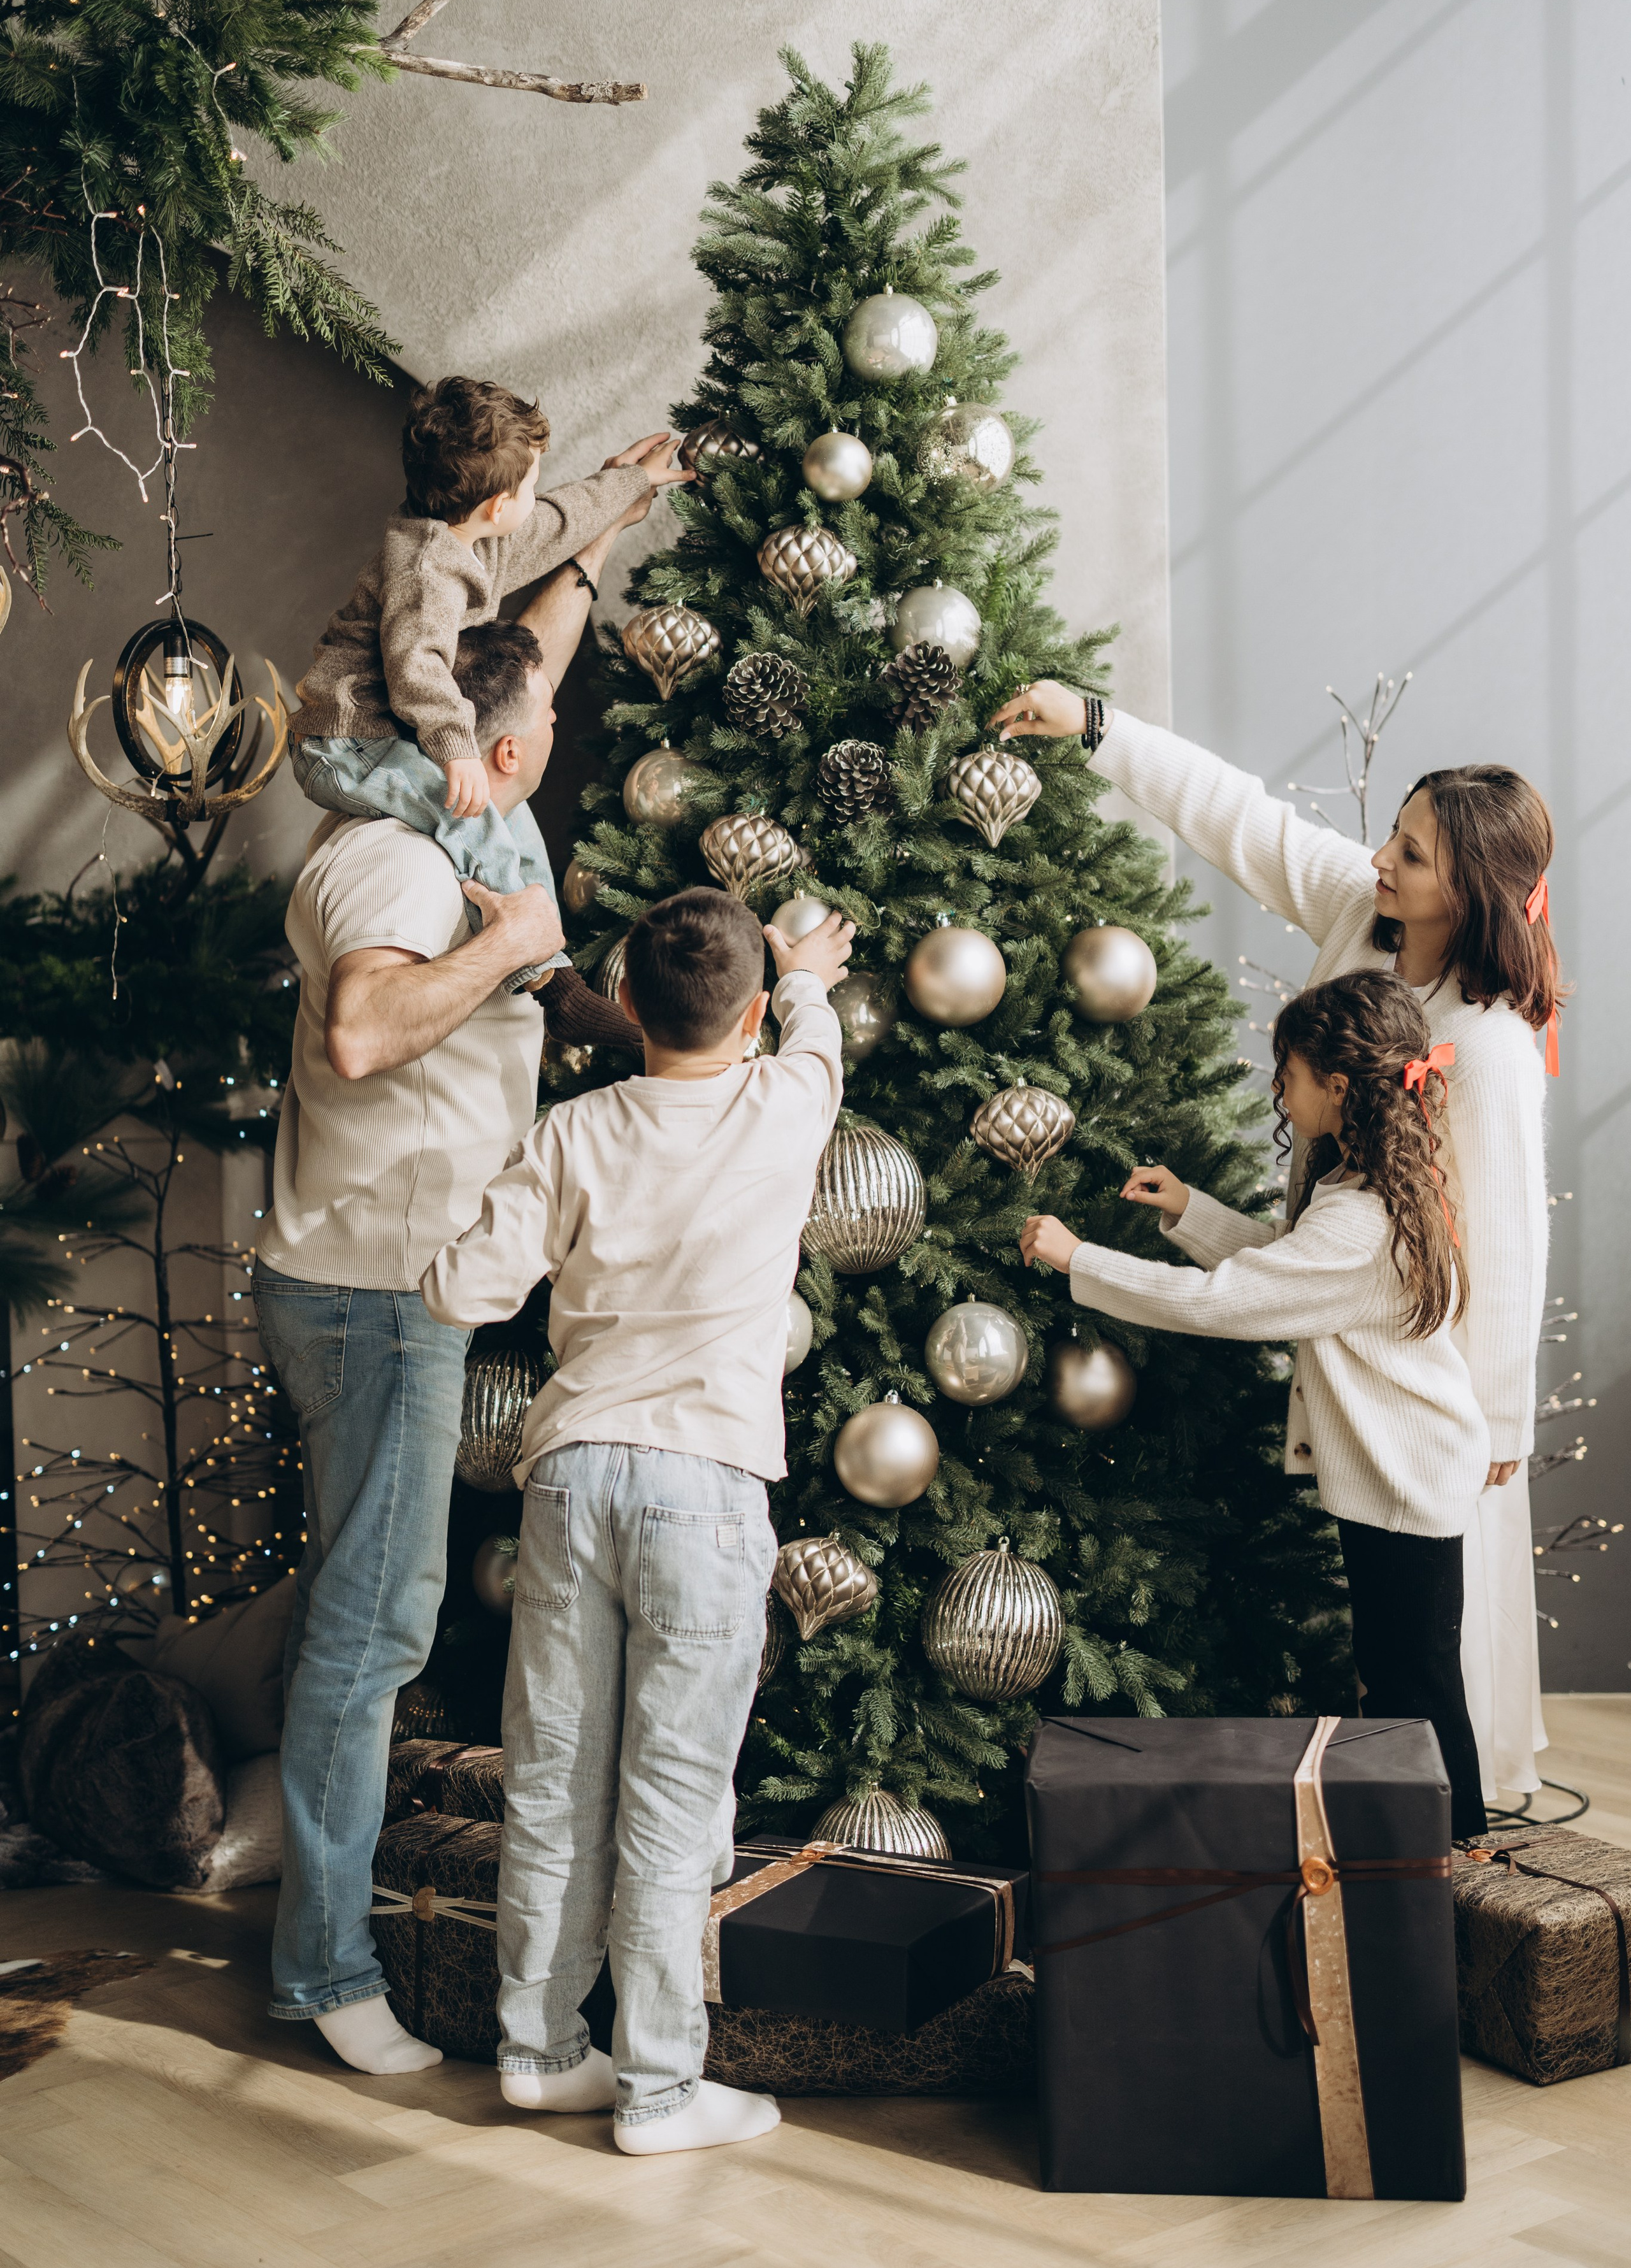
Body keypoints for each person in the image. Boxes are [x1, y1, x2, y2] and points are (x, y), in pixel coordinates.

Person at [991, 679, 1555, 1807]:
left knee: (1424, 1650)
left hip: (1426, 1383)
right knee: (1402, 1644)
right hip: (1339, 1306)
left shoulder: (1485, 1051)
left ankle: (1451, 1827)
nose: (1382, 861)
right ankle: (1431, 1826)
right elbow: (1243, 819)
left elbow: (1505, 1240)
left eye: (1413, 854)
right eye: (1393, 834)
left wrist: (1500, 1419)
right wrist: (1101, 728)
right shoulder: (1366, 911)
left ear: (1476, 893)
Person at [421, 888, 854, 2154]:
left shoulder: (573, 1131)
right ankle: (660, 2092)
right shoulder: (785, 1103)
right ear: (752, 1016)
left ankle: (538, 2049)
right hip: (703, 1489)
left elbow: (462, 1287)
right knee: (670, 1797)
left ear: (624, 994)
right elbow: (813, 1036)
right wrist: (803, 967)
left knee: (553, 1783)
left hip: (571, 1480)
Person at [256, 597, 602, 2076]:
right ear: (505, 747)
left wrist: (596, 529)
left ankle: (316, 1936)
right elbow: (361, 1030)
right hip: (379, 1294)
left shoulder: (442, 823)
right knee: (372, 1624)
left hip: (387, 1279)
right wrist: (516, 939)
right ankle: (325, 1969)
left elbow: (529, 655)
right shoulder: (395, 860)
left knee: (364, 1614)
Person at [1022, 970, 1490, 1839]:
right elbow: (1286, 1265)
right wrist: (1193, 1210)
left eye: (1290, 1071)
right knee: (1403, 1677)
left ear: (1338, 1086)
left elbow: (1225, 1303)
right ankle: (1440, 1861)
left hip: (1407, 1479)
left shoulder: (1361, 1222)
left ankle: (1458, 1860)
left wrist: (1077, 1259)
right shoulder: (1363, 1185)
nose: (1278, 1087)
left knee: (1412, 1687)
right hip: (1407, 1470)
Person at [292, 373, 692, 1007]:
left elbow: (557, 523)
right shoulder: (427, 571)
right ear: (497, 506)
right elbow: (416, 665)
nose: (539, 494)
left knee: (513, 823)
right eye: (531, 484)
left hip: (391, 735)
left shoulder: (464, 534)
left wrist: (628, 485)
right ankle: (542, 985)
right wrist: (453, 748)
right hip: (348, 744)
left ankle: (554, 968)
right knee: (471, 818)